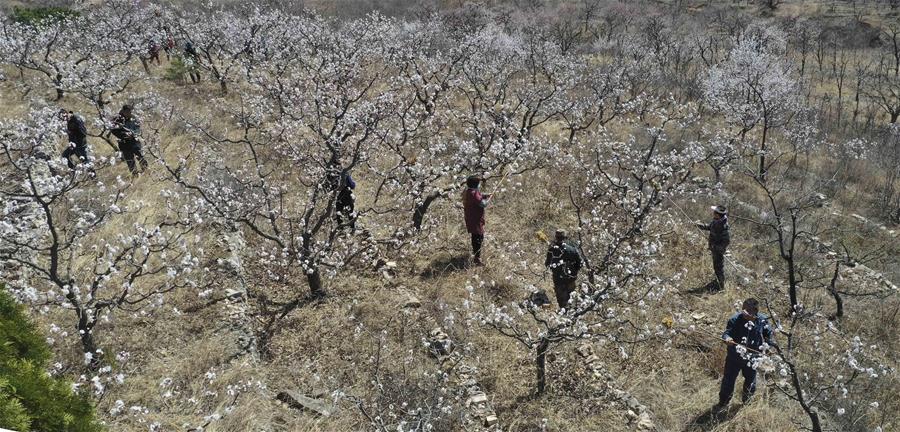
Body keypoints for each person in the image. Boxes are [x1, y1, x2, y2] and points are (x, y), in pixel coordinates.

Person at [716, 298, 777, 410]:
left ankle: (746, 404)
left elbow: (768, 336)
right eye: (743, 308)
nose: (744, 311)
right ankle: (723, 403)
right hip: (734, 358)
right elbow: (726, 334)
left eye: (747, 310)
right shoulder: (735, 319)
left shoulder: (762, 320)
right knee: (728, 381)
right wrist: (727, 339)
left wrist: (769, 347)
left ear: (755, 311)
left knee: (751, 382)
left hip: (753, 358)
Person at [544, 230, 583, 308]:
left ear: (556, 237)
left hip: (558, 278)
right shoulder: (572, 249)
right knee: (572, 297)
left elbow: (547, 264)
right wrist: (574, 270)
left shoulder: (552, 249)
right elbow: (580, 263)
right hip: (571, 277)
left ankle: (563, 313)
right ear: (565, 237)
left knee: (561, 300)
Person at [697, 205, 730, 291]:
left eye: (715, 212)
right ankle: (718, 282)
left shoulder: (723, 226)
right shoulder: (716, 221)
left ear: (718, 215)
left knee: (719, 268)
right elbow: (709, 227)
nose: (713, 213)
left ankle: (720, 286)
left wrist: (717, 248)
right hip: (714, 248)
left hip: (718, 251)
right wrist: (700, 226)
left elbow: (726, 241)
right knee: (716, 267)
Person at [110, 104, 148, 175]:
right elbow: (114, 131)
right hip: (124, 143)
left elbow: (137, 127)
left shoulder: (133, 117)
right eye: (127, 112)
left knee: (140, 156)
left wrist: (134, 133)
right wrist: (124, 135)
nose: (129, 114)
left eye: (130, 112)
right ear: (123, 111)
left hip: (134, 141)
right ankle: (134, 175)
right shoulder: (117, 119)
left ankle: (146, 171)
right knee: (130, 161)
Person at [462, 176, 491, 266]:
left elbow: (478, 197)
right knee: (478, 237)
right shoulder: (474, 193)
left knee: (477, 236)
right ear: (476, 185)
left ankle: (476, 256)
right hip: (475, 219)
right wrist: (489, 199)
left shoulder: (468, 191)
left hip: (470, 217)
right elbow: (483, 204)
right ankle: (477, 258)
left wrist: (485, 195)